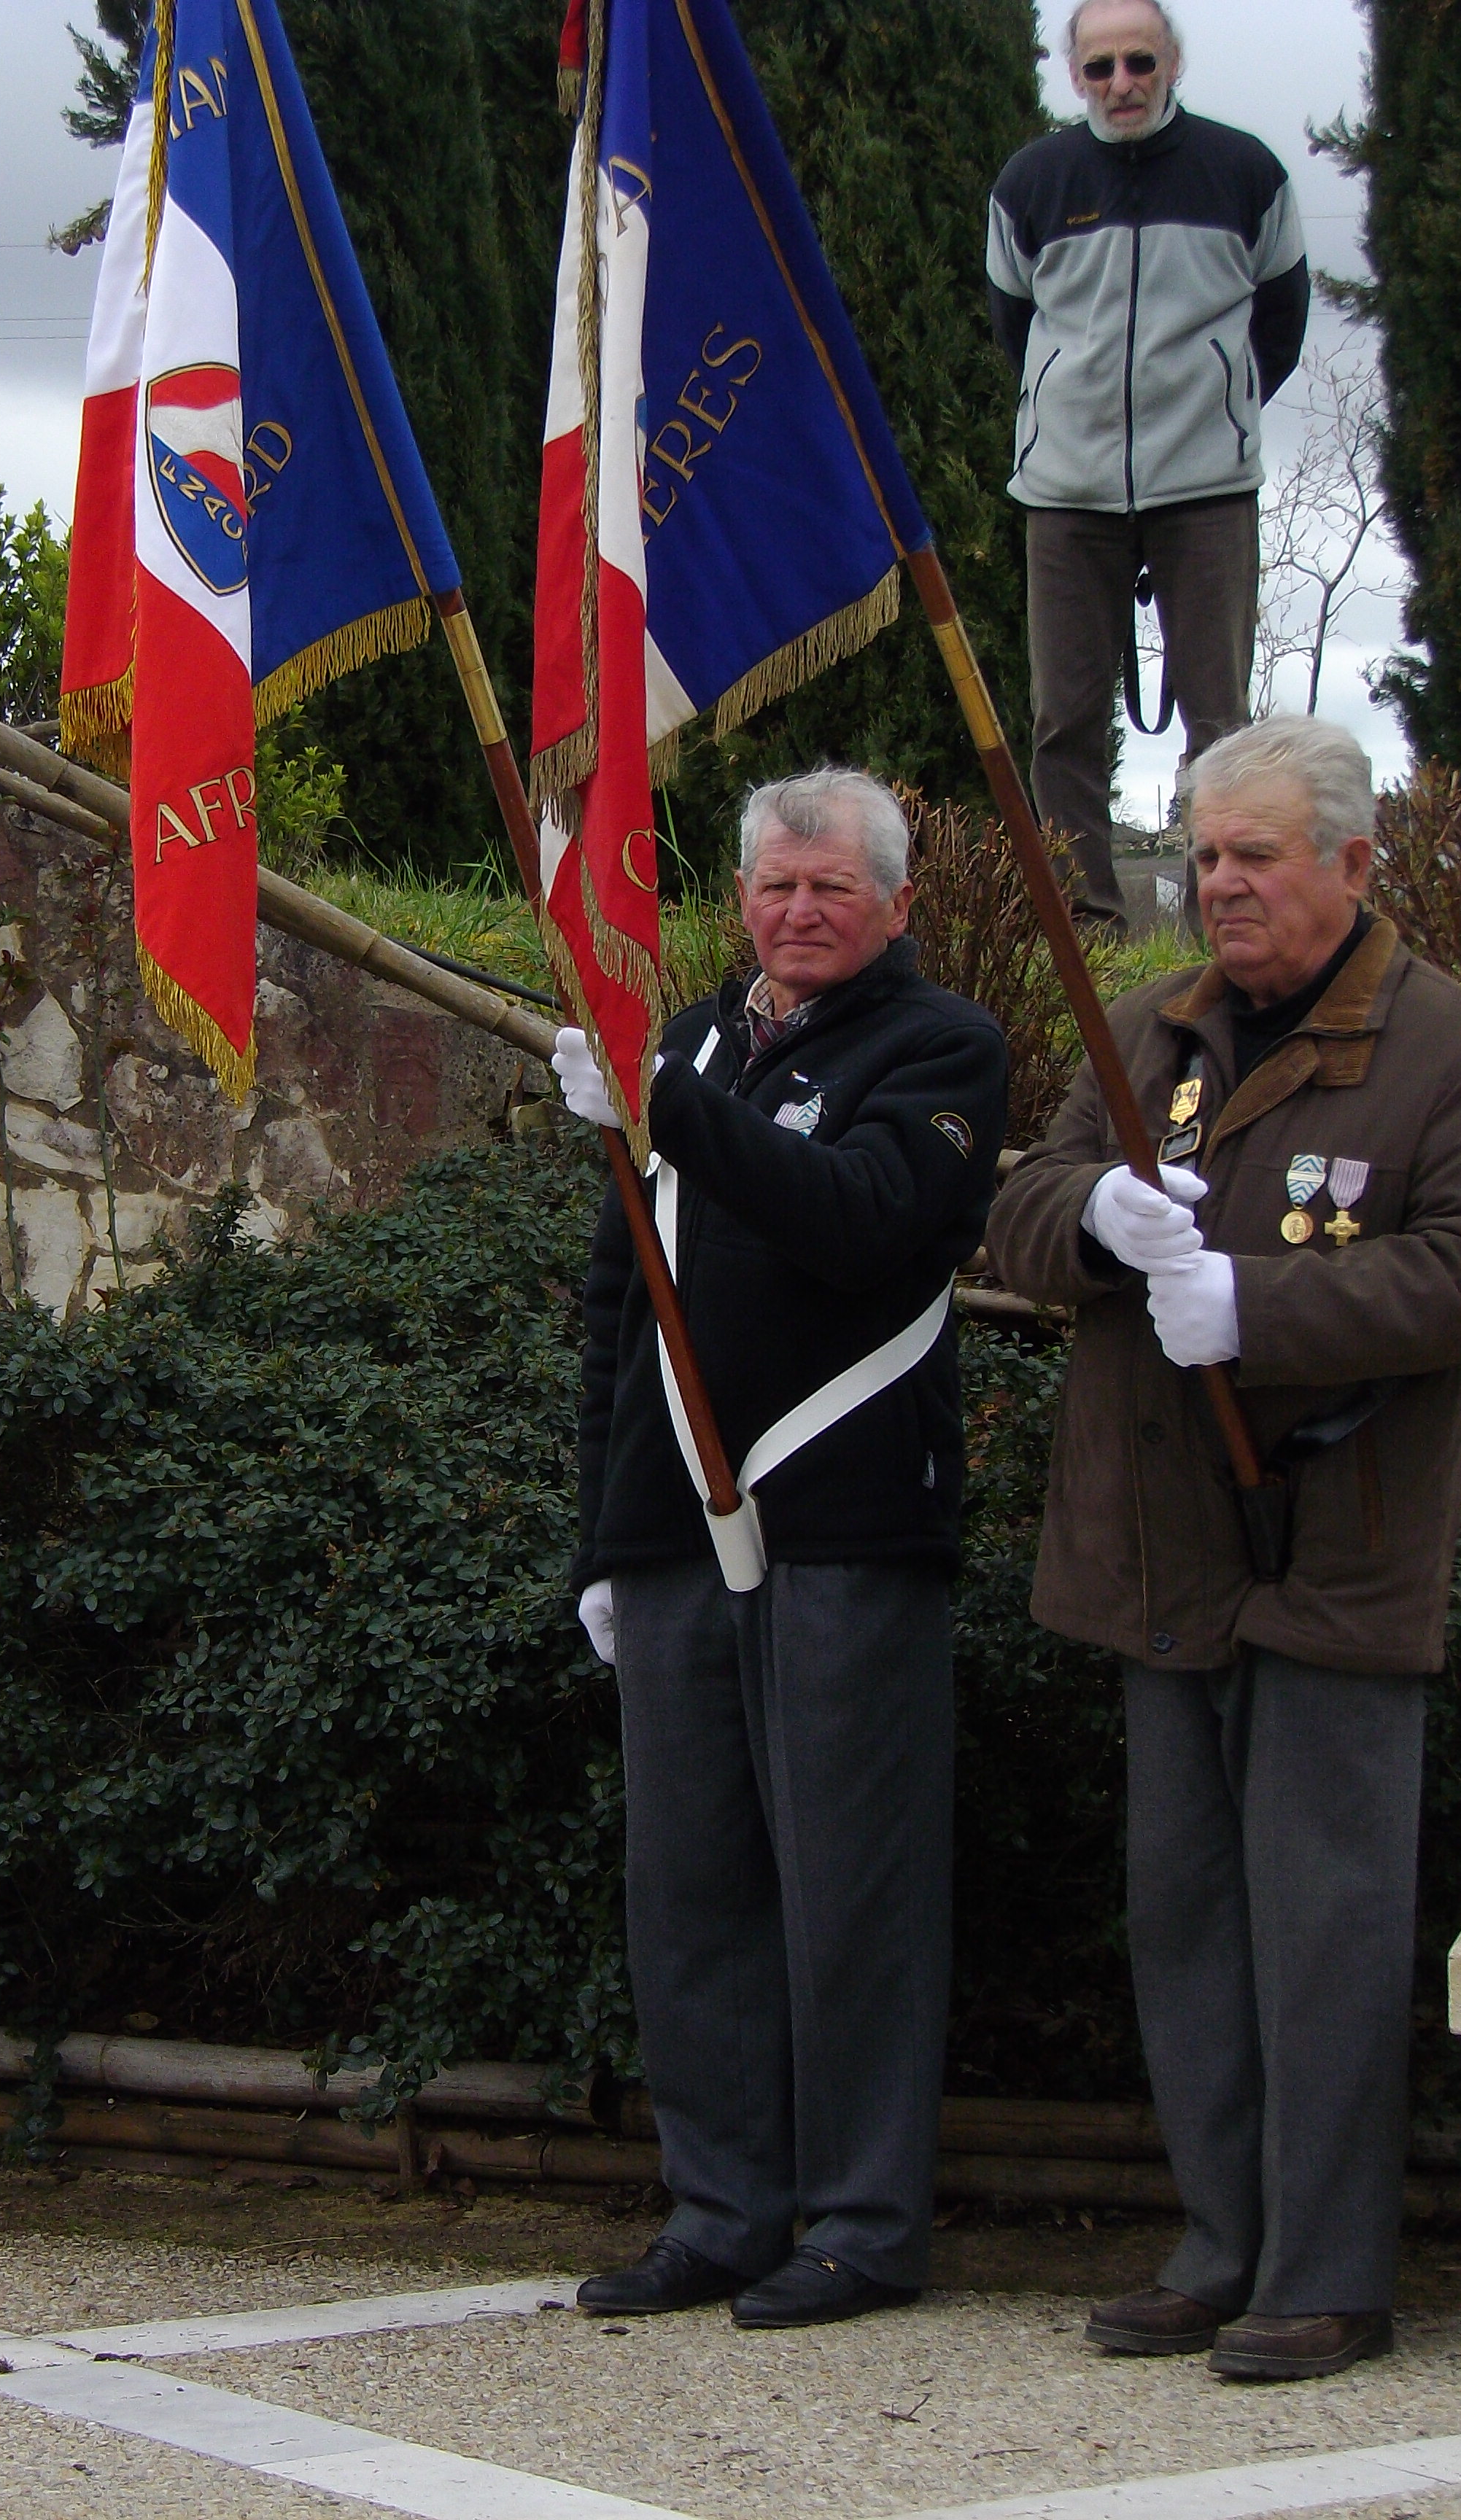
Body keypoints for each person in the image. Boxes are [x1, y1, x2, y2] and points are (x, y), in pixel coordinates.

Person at [990, 716, 1461, 2381]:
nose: (1216, 883)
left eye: (1253, 854)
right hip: (1163, 1541)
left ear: (1353, 864)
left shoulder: (1445, 1045)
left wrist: (1258, 1303)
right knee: (1188, 1914)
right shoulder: (1145, 1026)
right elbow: (1017, 1213)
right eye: (1199, 852)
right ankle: (1219, 2239)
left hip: (1335, 1540)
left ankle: (1326, 2266)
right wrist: (1086, 1217)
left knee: (1323, 1920)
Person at [549, 769, 1008, 2330]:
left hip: (846, 1523)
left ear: (893, 902)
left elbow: (871, 1217)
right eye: (773, 889)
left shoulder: (940, 1048)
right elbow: (621, 1296)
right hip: (678, 1526)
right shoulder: (681, 1040)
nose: (799, 914)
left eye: (830, 889)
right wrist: (603, 1543)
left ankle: (863, 2223)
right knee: (690, 1892)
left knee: (850, 1892)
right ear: (736, 901)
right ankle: (722, 2208)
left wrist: (670, 1114)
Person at [987, 1, 1309, 928]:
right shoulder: (1032, 181)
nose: (1120, 84)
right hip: (1067, 492)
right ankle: (1086, 920)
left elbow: (1279, 322)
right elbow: (1017, 327)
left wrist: (1215, 408)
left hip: (1205, 488)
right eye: (1100, 68)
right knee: (1064, 721)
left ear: (1172, 63)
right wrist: (1076, 417)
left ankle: (1230, 914)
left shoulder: (1245, 172)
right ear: (1074, 72)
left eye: (1138, 62)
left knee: (1222, 721)